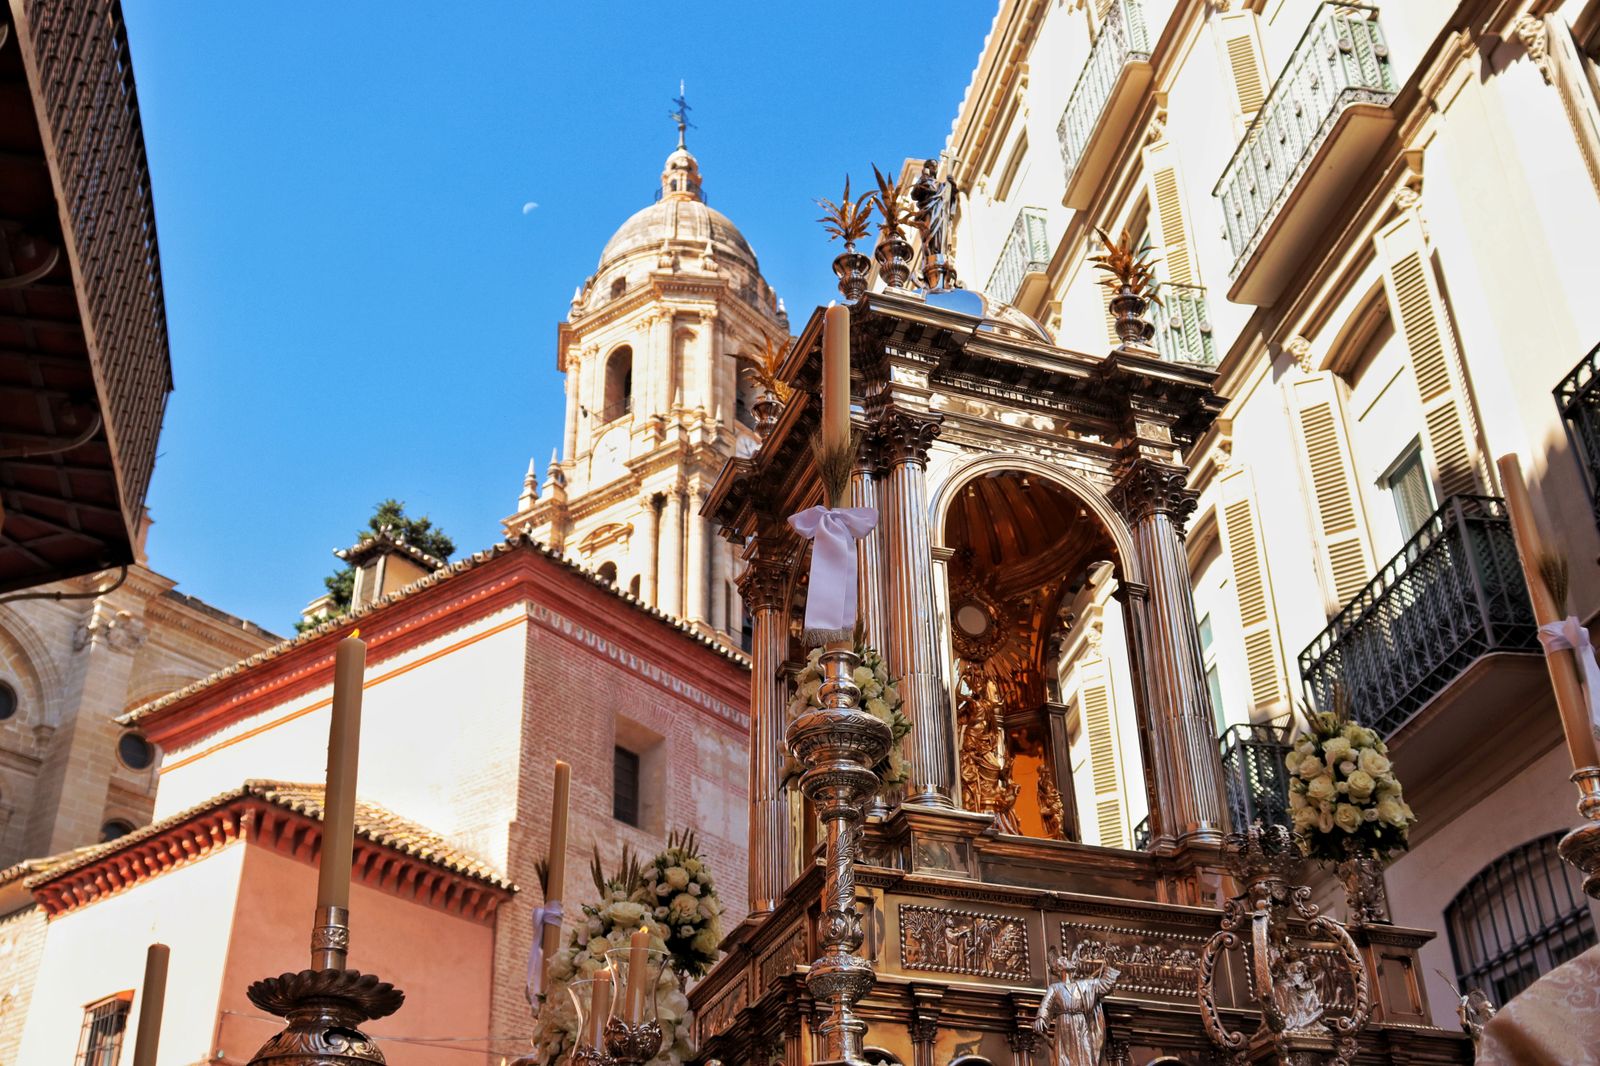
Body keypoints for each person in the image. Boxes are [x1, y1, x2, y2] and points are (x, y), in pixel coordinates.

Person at [1034, 944, 1120, 1065]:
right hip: (1065, 1024)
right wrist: (1041, 1017)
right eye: (1064, 960)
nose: (1068, 961)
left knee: (1086, 1055)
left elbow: (1105, 985)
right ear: (1059, 967)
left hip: (1081, 1023)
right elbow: (1046, 1004)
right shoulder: (1055, 988)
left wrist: (1110, 962)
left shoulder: (1085, 985)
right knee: (1065, 1058)